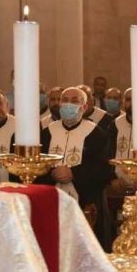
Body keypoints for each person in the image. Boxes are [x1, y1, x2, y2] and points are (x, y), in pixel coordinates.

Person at [37, 87, 114, 249]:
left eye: (74, 101)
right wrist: (52, 174)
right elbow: (37, 165)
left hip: (86, 202)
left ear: (84, 107)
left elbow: (104, 169)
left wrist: (73, 173)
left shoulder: (97, 134)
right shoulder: (46, 133)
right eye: (65, 100)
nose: (68, 105)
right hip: (52, 199)